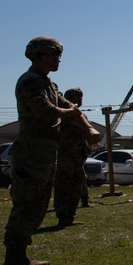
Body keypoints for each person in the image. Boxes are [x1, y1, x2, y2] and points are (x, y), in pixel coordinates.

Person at [2, 37, 100, 265]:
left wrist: (88, 128)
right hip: (31, 152)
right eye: (54, 54)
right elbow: (45, 111)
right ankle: (13, 257)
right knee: (27, 204)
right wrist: (68, 113)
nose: (58, 59)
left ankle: (21, 255)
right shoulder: (30, 81)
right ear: (39, 54)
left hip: (45, 153)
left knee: (39, 205)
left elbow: (72, 110)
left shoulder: (49, 84)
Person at [53, 87, 95, 228]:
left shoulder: (78, 114)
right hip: (67, 155)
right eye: (77, 96)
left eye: (81, 96)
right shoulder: (68, 113)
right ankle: (63, 216)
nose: (80, 99)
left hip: (77, 155)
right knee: (65, 185)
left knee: (76, 184)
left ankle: (69, 216)